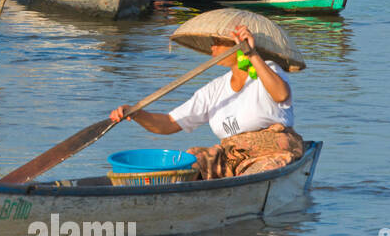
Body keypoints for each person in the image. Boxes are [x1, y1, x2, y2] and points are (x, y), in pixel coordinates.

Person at [110, 17, 306, 180]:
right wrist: (136, 114)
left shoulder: (267, 70)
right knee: (191, 159)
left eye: (218, 42)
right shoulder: (215, 89)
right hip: (231, 158)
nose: (212, 48)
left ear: (238, 46)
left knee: (258, 175)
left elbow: (281, 94)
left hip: (271, 153)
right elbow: (169, 123)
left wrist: (252, 54)